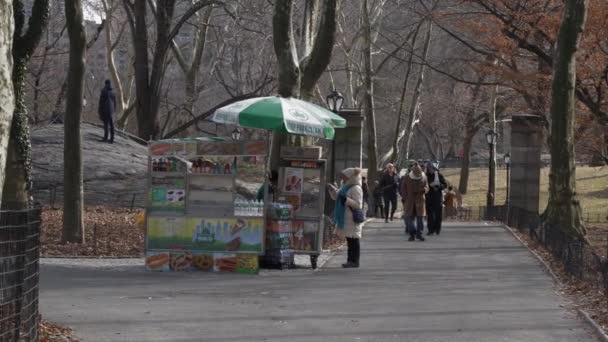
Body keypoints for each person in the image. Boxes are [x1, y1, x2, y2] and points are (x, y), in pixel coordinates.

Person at [327, 168, 364, 268]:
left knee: (354, 240)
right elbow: (337, 197)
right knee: (350, 240)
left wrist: (346, 200)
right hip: (346, 217)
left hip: (352, 218)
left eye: (344, 176)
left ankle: (354, 261)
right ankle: (350, 260)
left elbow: (358, 205)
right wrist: (332, 190)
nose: (342, 178)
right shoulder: (345, 187)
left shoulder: (356, 188)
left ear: (350, 177)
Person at [401, 163, 428, 241]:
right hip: (410, 200)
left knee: (420, 218)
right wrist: (405, 197)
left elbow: (427, 186)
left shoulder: (424, 177)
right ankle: (412, 233)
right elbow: (403, 188)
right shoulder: (407, 178)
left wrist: (425, 190)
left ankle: (419, 234)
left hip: (420, 200)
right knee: (409, 218)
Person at [425, 161, 447, 235]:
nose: (430, 170)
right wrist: (429, 186)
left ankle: (437, 229)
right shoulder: (425, 176)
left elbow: (445, 185)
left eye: (431, 168)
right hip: (429, 198)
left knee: (438, 215)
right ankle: (430, 230)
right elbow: (423, 185)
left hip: (437, 197)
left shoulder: (439, 175)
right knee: (430, 215)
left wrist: (439, 186)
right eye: (429, 168)